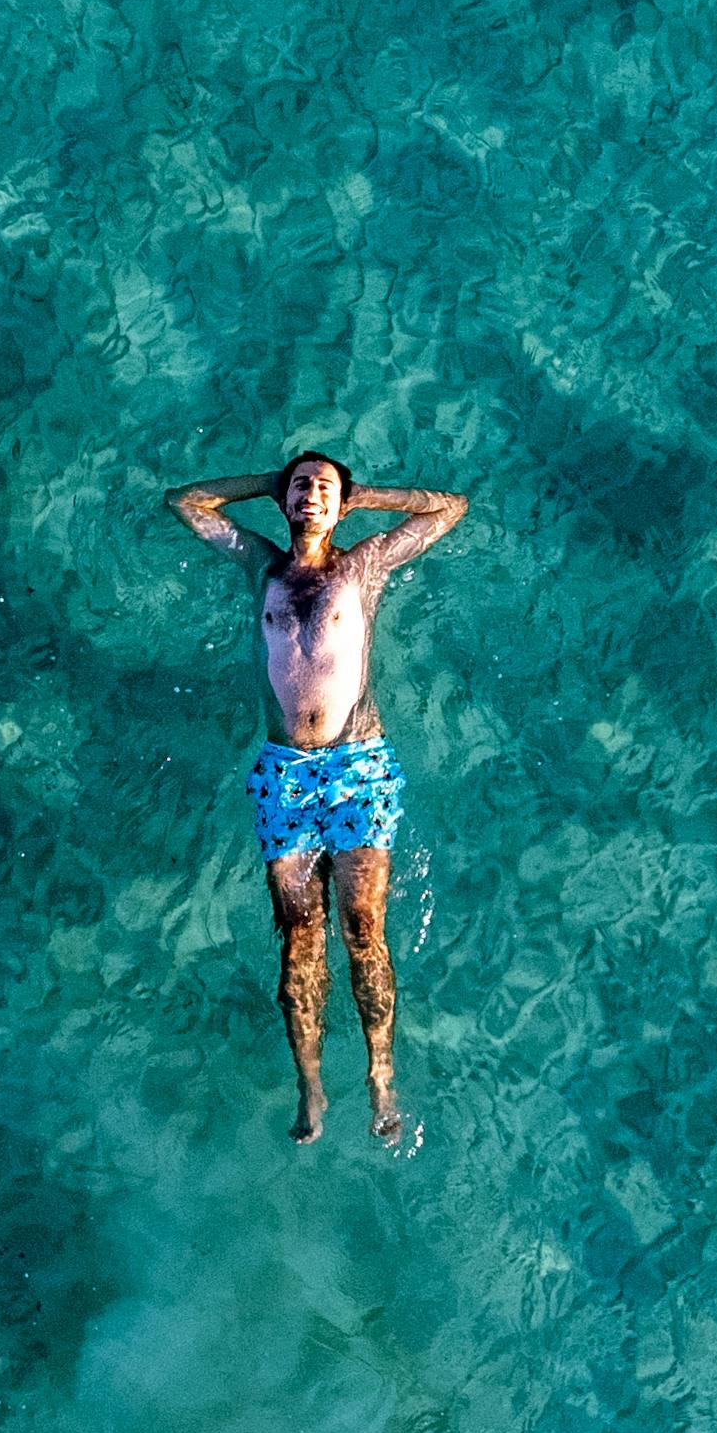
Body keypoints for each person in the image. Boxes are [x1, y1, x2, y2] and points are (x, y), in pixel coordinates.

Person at [165, 451, 468, 1146]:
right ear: (284, 500)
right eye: (300, 486)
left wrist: (364, 496)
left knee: (363, 928)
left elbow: (448, 507)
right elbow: (185, 499)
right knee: (298, 938)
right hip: (284, 775)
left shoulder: (362, 568)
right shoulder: (261, 565)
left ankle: (381, 1075)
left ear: (339, 505)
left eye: (323, 489)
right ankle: (311, 1083)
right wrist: (263, 480)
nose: (310, 497)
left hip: (359, 764)